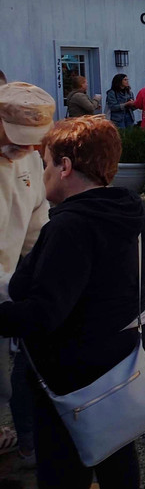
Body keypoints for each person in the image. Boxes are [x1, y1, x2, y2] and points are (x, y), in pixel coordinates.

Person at [0, 116, 145, 489]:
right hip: (117, 367)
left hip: (70, 380)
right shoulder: (134, 211)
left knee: (65, 486)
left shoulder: (70, 226)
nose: (44, 173)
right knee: (117, 460)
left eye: (48, 164)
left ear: (67, 167)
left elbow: (41, 314)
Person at [0, 83, 53, 469]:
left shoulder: (31, 160)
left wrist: (44, 274)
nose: (26, 147)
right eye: (17, 138)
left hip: (9, 286)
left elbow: (38, 225)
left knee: (14, 369)